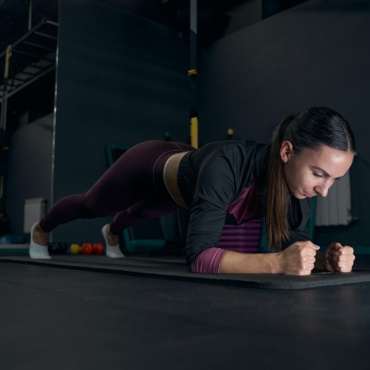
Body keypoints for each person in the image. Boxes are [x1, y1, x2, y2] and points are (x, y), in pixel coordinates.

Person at [30, 106, 356, 275]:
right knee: (90, 204)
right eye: (319, 174)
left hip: (181, 189)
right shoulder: (228, 165)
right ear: (286, 152)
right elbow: (199, 257)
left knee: (142, 212)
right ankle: (40, 229)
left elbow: (295, 248)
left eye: (333, 180)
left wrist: (326, 261)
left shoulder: (298, 193)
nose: (324, 190)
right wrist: (275, 264)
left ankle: (112, 231)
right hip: (148, 164)